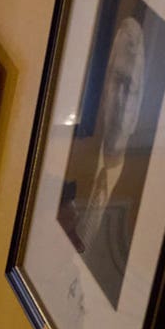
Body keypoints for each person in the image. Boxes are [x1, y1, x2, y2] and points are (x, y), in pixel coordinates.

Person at [60, 15, 148, 304]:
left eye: (131, 88)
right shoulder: (67, 164)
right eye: (117, 80)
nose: (122, 98)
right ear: (104, 89)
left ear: (139, 109)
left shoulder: (141, 206)